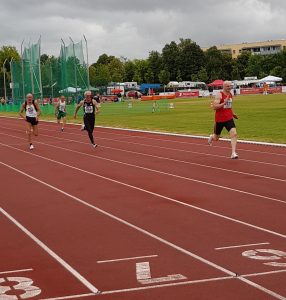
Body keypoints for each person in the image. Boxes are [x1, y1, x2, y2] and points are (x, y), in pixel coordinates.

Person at [208, 81, 239, 159]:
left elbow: (229, 107)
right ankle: (212, 137)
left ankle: (233, 153)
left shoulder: (231, 95)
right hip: (219, 120)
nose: (230, 87)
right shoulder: (219, 95)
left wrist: (233, 114)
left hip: (229, 118)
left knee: (234, 134)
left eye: (230, 86)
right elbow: (214, 107)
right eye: (228, 86)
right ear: (224, 86)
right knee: (216, 138)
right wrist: (223, 103)